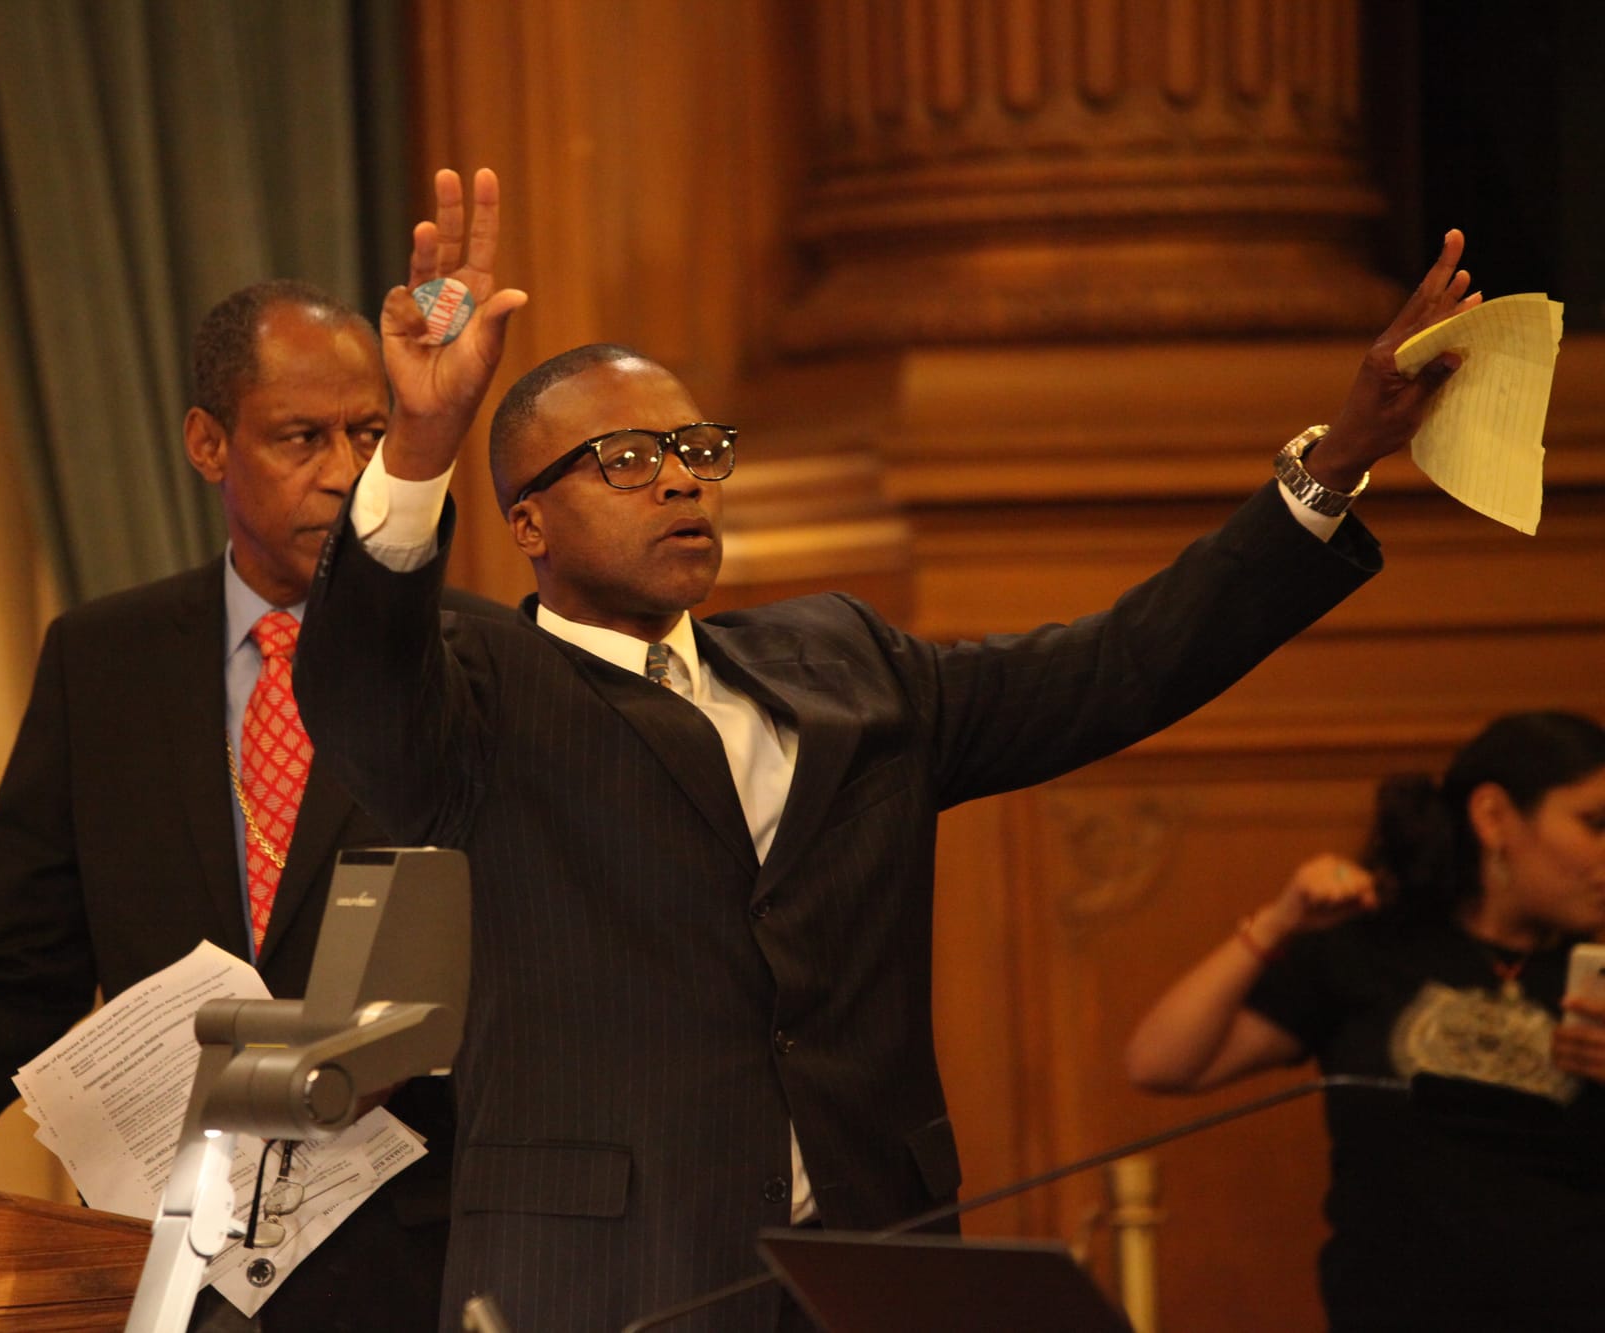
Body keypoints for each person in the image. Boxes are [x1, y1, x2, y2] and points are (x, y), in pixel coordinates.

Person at [292, 165, 1478, 1332]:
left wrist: (1333, 466)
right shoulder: (477, 695)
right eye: (626, 461)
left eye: (697, 452)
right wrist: (419, 441)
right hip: (604, 1282)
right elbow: (358, 673)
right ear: (527, 522)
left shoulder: (843, 662)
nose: (677, 485)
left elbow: (1122, 665)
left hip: (862, 1270)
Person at [0, 279, 503, 1331]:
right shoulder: (102, 662)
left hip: (419, 1256)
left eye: (368, 434)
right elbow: (16, 969)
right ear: (208, 444)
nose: (342, 473)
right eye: (300, 437)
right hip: (177, 1269)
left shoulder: (474, 657)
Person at [1125, 711, 1605, 1331]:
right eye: (1595, 825)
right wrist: (1277, 923)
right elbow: (1160, 1062)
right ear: (1493, 818)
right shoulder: (1372, 947)